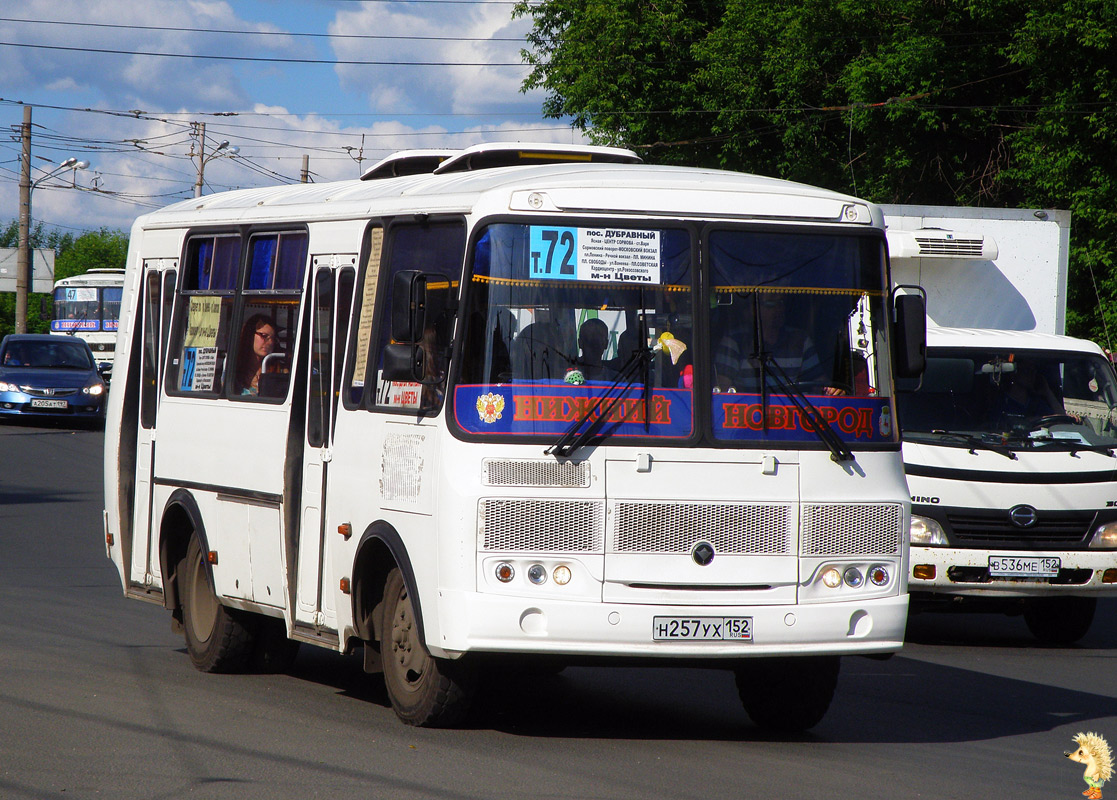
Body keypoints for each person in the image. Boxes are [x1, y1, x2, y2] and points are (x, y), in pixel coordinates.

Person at [714, 293, 832, 392]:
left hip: (792, 416)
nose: (779, 309)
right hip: (748, 417)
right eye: (771, 304)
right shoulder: (734, 342)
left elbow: (820, 385)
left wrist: (831, 391)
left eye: (781, 303)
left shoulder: (800, 340)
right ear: (753, 309)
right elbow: (723, 390)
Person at [234, 313, 277, 396]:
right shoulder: (233, 367)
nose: (270, 342)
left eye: (273, 338)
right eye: (264, 336)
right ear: (250, 335)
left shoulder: (277, 370)